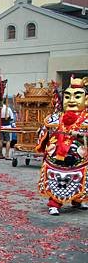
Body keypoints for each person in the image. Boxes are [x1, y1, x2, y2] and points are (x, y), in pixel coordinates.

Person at [36, 76, 88, 215]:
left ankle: (78, 199)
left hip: (79, 159)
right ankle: (54, 203)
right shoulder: (54, 117)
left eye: (77, 97)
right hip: (55, 159)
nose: (71, 100)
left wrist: (80, 134)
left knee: (80, 178)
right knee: (54, 178)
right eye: (67, 97)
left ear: (86, 100)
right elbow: (42, 133)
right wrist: (45, 133)